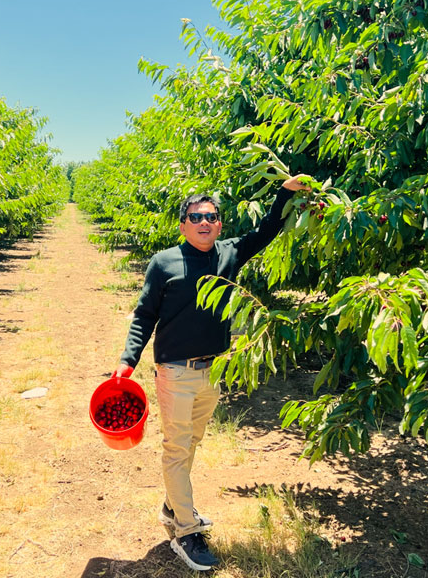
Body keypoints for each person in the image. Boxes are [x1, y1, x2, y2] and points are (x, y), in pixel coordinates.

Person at [110, 177, 310, 572]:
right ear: (182, 225)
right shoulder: (164, 262)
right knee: (177, 447)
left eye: (212, 217)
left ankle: (174, 506)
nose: (205, 222)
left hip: (213, 369)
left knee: (192, 442)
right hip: (176, 372)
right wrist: (127, 360)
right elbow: (145, 315)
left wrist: (286, 192)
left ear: (219, 224)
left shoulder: (229, 253)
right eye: (196, 217)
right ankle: (185, 532)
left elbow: (268, 229)